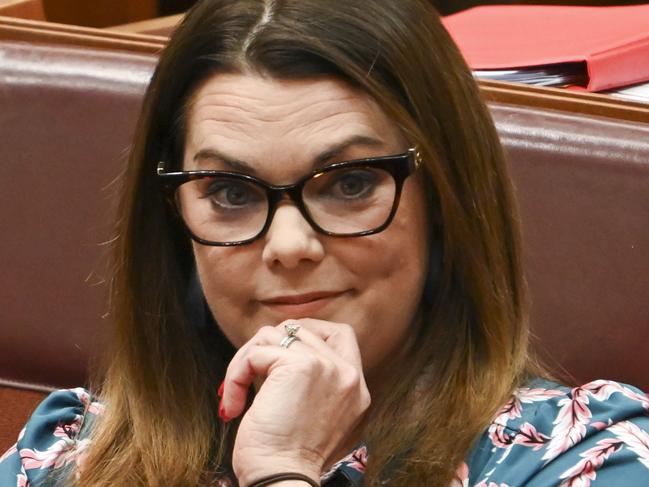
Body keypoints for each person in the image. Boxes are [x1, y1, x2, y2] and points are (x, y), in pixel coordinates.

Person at [2, 0, 648, 485]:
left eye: (348, 183)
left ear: (448, 204)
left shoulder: (585, 456)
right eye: (229, 192)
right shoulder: (68, 451)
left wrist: (283, 468)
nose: (288, 245)